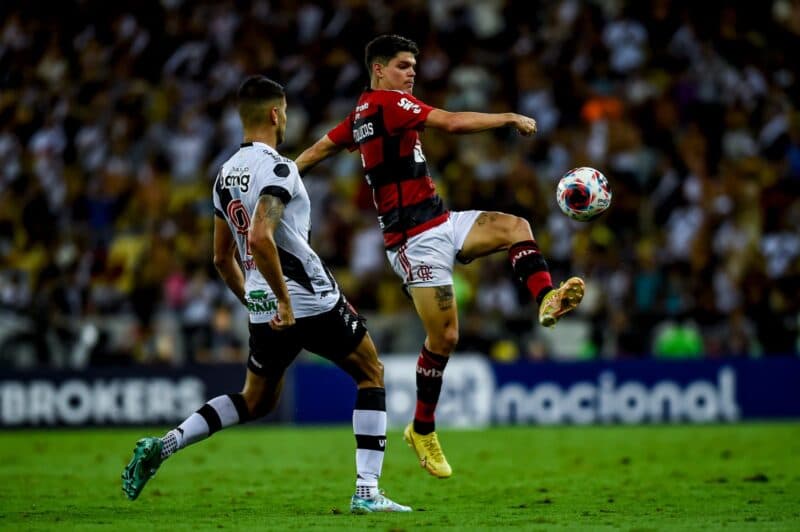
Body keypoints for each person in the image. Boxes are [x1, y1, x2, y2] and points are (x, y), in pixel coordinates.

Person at [295, 34, 585, 479]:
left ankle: (546, 298)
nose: (412, 73)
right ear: (378, 70)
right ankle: (422, 429)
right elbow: (450, 122)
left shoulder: (360, 115)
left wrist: (282, 173)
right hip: (412, 241)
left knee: (516, 227)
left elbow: (319, 149)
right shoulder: (388, 103)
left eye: (414, 66)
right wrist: (507, 117)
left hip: (440, 220)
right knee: (445, 337)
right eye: (403, 66)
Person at [121, 76, 411, 514]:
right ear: (276, 114)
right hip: (306, 296)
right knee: (371, 372)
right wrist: (285, 300)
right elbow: (260, 235)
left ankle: (165, 444)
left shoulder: (223, 176)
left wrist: (257, 300)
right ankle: (367, 491)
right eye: (286, 110)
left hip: (262, 302)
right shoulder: (279, 169)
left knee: (255, 400)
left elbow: (221, 259)